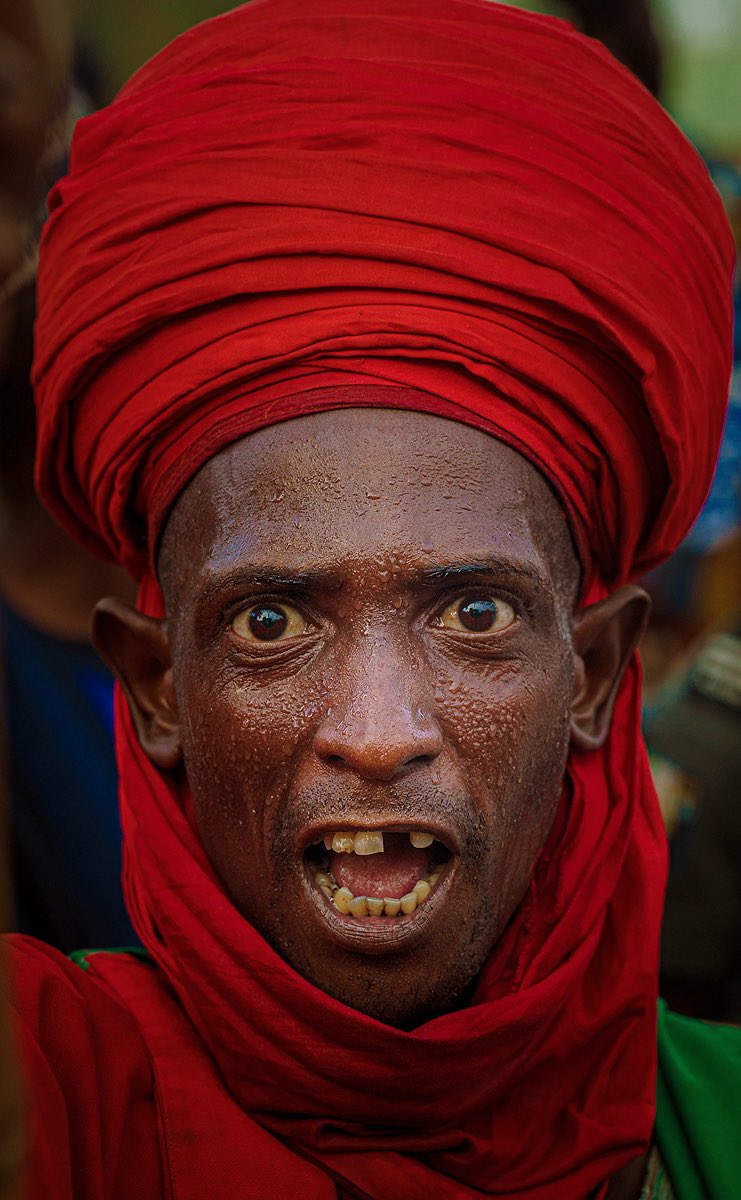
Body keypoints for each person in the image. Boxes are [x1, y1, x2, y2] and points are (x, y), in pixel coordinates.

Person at [6, 1, 741, 1197]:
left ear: (596, 673)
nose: (379, 731)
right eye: (271, 624)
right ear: (157, 686)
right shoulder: (52, 1099)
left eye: (475, 616)